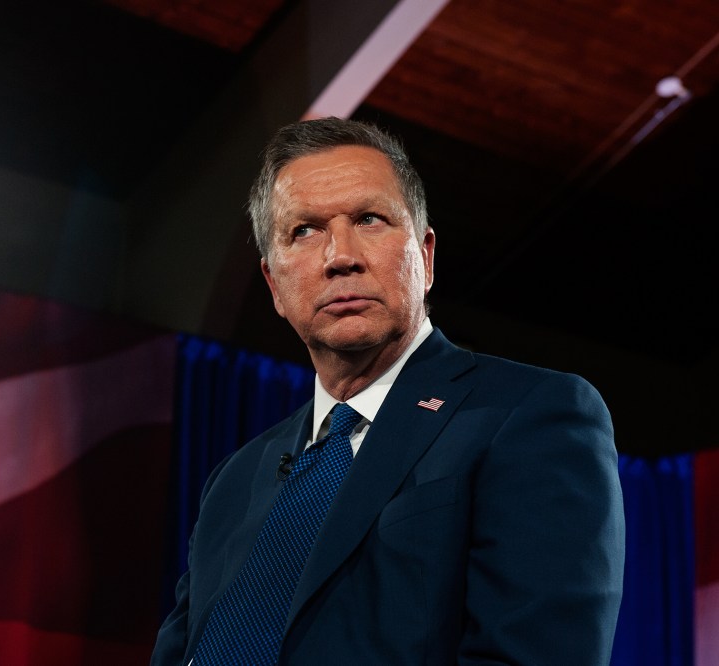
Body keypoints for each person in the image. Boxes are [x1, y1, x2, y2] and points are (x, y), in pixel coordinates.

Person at [151, 116, 625, 665]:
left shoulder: (531, 414)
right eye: (304, 230)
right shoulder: (232, 481)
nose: (340, 257)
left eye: (370, 219)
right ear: (274, 285)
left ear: (424, 257)